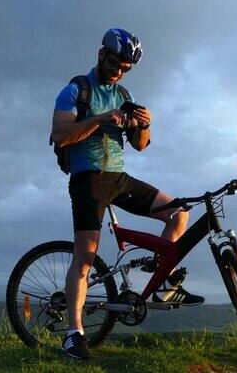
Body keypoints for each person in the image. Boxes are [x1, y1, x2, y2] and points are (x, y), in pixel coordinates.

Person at [50, 28, 204, 360]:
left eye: (126, 68)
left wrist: (144, 124)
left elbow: (140, 145)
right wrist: (101, 119)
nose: (120, 71)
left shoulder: (124, 94)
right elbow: (60, 135)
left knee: (179, 212)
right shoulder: (76, 90)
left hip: (119, 177)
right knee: (85, 256)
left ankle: (163, 285)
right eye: (117, 64)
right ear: (102, 54)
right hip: (87, 178)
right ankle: (73, 335)